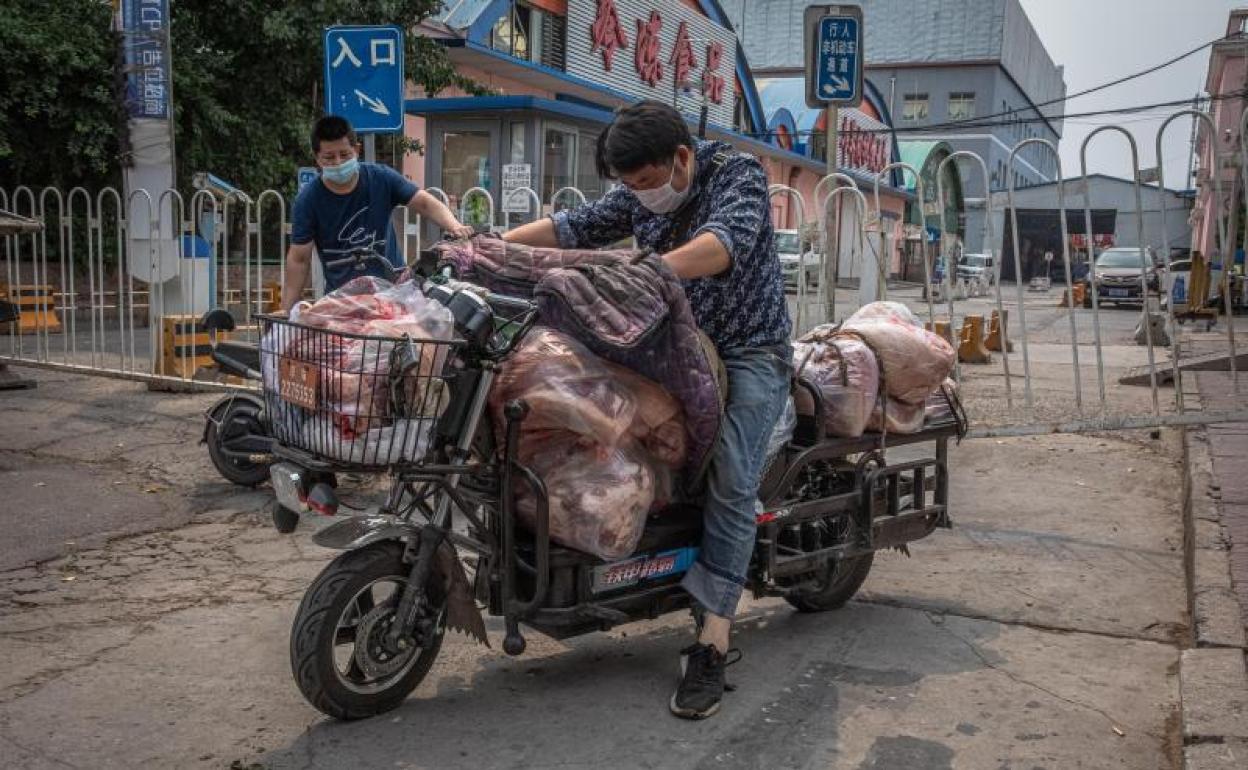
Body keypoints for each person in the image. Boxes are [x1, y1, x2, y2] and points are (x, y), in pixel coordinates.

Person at [502, 100, 792, 720]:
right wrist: (487, 249)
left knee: (732, 478)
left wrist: (648, 270)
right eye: (628, 187)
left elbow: (721, 244)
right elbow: (572, 227)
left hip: (747, 352)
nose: (638, 196)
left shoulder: (736, 176)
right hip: (668, 348)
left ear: (680, 160)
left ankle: (712, 641)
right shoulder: (640, 192)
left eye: (643, 183)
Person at [281, 115, 473, 311]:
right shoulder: (308, 200)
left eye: (345, 155)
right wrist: (287, 311)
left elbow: (424, 202)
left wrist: (454, 225)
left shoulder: (380, 179)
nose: (338, 163)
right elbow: (299, 259)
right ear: (317, 158)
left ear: (356, 150)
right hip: (342, 304)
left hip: (394, 295)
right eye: (329, 157)